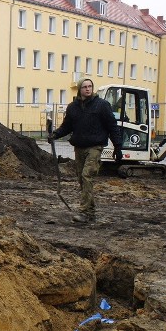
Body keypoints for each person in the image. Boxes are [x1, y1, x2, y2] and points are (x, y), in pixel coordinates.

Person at [48, 78, 123, 223]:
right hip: (79, 147)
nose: (88, 89)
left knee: (87, 176)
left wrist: (118, 147)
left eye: (90, 86)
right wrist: (55, 134)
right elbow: (67, 126)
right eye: (84, 87)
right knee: (82, 180)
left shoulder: (102, 105)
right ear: (79, 89)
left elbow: (112, 126)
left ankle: (83, 212)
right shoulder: (73, 108)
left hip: (95, 147)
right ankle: (90, 212)